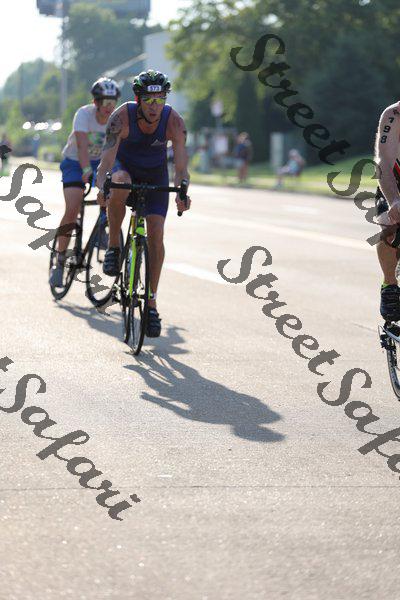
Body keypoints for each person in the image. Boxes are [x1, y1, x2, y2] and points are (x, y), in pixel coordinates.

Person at [96, 69, 191, 338]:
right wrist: (102, 186)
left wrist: (182, 192)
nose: (154, 106)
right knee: (120, 181)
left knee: (156, 234)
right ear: (138, 99)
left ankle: (151, 303)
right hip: (124, 169)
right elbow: (105, 161)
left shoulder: (174, 121)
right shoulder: (121, 118)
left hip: (155, 175)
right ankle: (114, 245)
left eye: (160, 100)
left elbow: (181, 167)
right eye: (149, 100)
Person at [49, 77, 121, 287]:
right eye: (105, 102)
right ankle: (59, 261)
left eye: (113, 102)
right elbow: (81, 146)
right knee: (72, 208)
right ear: (96, 102)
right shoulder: (83, 114)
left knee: (114, 189)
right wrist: (87, 170)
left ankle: (103, 228)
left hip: (101, 162)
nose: (109, 107)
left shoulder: (117, 119)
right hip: (74, 162)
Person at [373, 101, 400, 321]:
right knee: (390, 226)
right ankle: (390, 284)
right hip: (394, 183)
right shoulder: (394, 114)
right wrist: (394, 200)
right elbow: (385, 161)